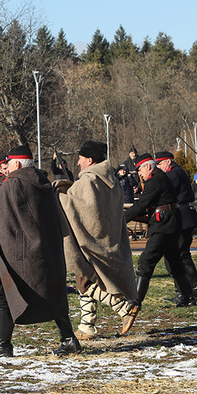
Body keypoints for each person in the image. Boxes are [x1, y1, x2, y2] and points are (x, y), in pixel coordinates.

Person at [0, 145, 81, 357]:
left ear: (17, 164)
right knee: (53, 293)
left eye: (9, 163)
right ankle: (69, 339)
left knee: (3, 292)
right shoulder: (41, 180)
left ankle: (3, 345)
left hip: (23, 253)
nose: (7, 168)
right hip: (47, 248)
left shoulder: (16, 182)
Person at [53, 140, 139, 340]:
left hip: (90, 242)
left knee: (85, 280)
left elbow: (75, 207)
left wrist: (57, 192)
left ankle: (124, 308)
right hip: (108, 239)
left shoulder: (88, 181)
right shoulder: (112, 180)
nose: (78, 164)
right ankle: (86, 327)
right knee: (85, 279)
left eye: (81, 159)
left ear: (89, 160)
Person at [123, 153, 196, 319]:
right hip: (170, 224)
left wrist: (121, 219)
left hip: (164, 225)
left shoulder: (155, 180)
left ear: (148, 166)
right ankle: (189, 297)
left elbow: (142, 205)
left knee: (145, 262)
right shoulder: (159, 177)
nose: (139, 173)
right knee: (175, 262)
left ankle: (135, 302)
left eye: (140, 169)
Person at [155, 151, 197, 299]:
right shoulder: (177, 171)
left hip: (182, 218)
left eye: (160, 163)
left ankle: (185, 291)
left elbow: (163, 192)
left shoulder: (173, 174)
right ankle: (194, 289)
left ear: (168, 162)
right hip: (185, 217)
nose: (158, 166)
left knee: (177, 255)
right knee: (182, 255)